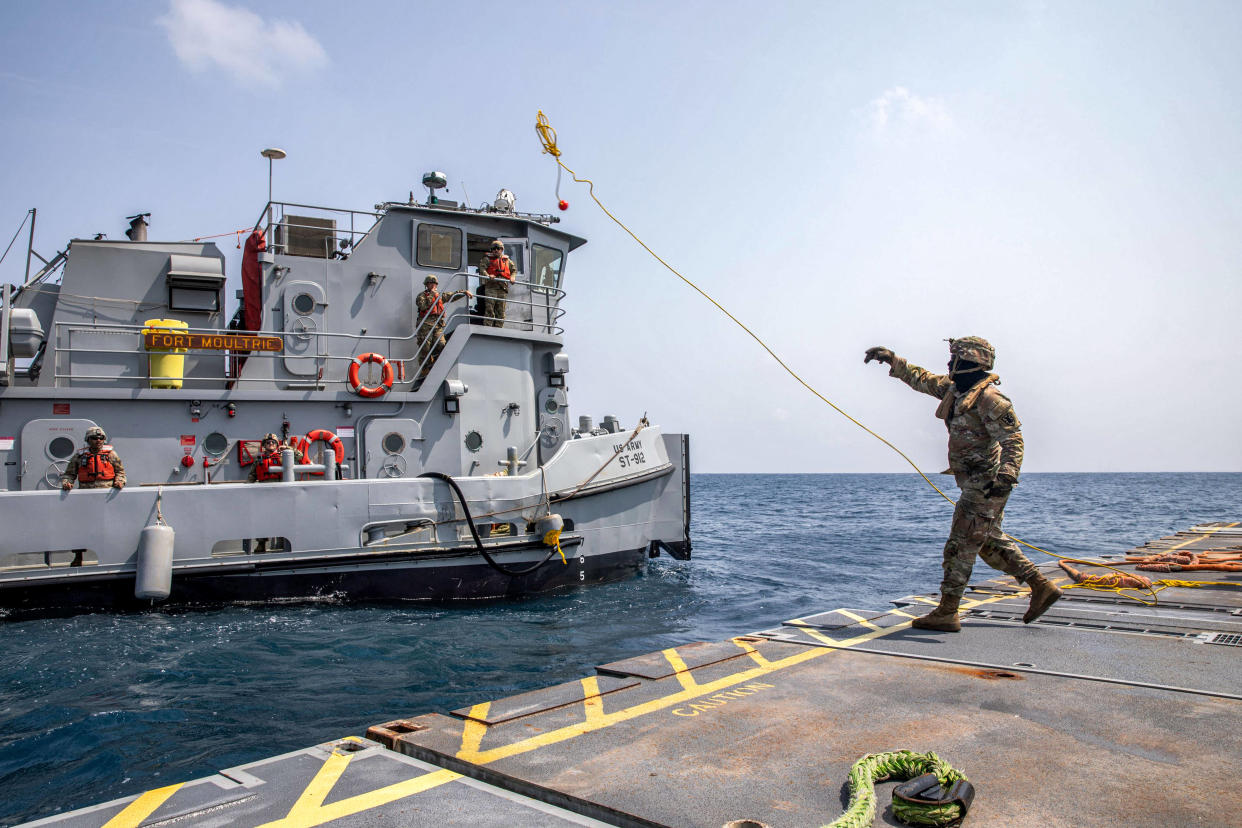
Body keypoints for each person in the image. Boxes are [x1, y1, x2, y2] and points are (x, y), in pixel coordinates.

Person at [864, 337, 1061, 632]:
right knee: (988, 542)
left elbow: (1013, 440)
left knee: (960, 546)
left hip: (986, 485)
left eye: (953, 358)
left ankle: (947, 611)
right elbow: (922, 379)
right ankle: (1040, 585)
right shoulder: (955, 390)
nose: (948, 363)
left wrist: (1006, 476)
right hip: (972, 481)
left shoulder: (990, 399)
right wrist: (892, 359)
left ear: (967, 361)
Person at [415, 274, 471, 379]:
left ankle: (436, 366)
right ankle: (425, 369)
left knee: (441, 344)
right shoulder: (421, 296)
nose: (433, 285)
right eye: (431, 283)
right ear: (427, 285)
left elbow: (452, 295)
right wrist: (432, 294)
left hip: (438, 325)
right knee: (425, 347)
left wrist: (464, 292)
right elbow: (422, 306)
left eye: (434, 284)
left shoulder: (440, 295)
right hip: (425, 325)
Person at [60, 426, 126, 491]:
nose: (98, 440)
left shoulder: (111, 454)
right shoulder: (79, 456)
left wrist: (119, 481)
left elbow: (120, 472)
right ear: (88, 439)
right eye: (94, 438)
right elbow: (69, 474)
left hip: (107, 491)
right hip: (85, 491)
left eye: (101, 438)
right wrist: (67, 483)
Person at [475, 239, 515, 327]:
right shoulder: (487, 259)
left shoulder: (507, 261)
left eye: (498, 248)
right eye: (494, 248)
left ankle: (499, 328)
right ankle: (488, 327)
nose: (496, 250)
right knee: (490, 309)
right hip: (491, 288)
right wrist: (488, 275)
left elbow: (514, 270)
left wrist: (512, 277)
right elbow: (482, 269)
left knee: (500, 311)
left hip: (502, 289)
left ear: (502, 249)